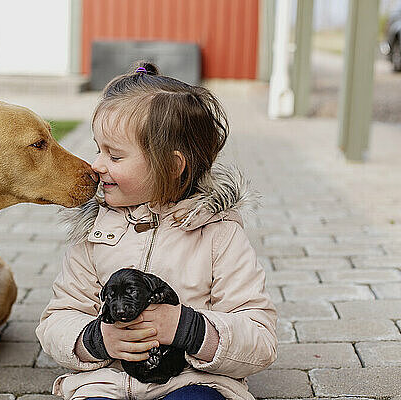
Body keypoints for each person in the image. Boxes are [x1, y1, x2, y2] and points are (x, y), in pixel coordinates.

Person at [35, 62, 277, 400]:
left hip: (190, 381)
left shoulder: (220, 235)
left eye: (115, 155)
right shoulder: (95, 234)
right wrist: (97, 339)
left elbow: (260, 338)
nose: (96, 165)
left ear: (173, 166)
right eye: (98, 148)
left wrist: (188, 328)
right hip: (106, 383)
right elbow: (57, 319)